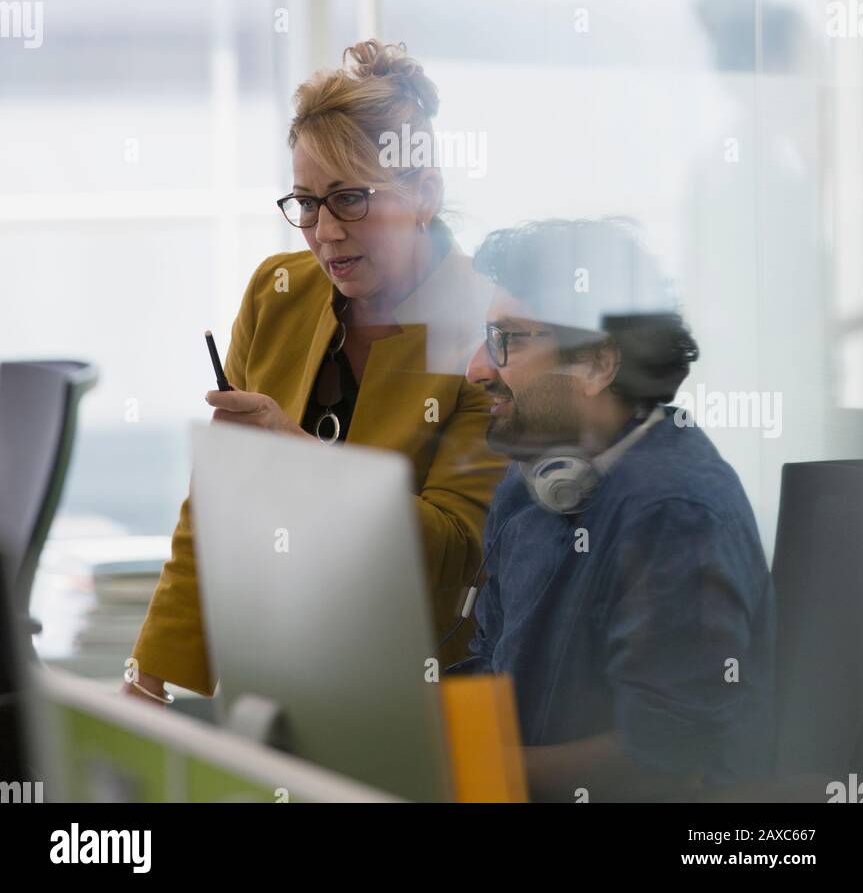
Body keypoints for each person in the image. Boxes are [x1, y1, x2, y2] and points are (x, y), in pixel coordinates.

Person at [124, 40, 505, 704]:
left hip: (420, 695)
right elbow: (214, 504)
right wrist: (150, 678)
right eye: (305, 202)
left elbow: (453, 557)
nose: (324, 231)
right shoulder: (278, 292)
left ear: (424, 194)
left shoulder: (489, 329)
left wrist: (296, 460)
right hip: (277, 669)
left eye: (350, 199)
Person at [453, 218, 775, 802]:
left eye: (509, 339)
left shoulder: (675, 512)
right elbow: (491, 671)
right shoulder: (532, 480)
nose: (478, 368)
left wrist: (463, 770)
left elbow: (662, 764)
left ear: (598, 364)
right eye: (486, 335)